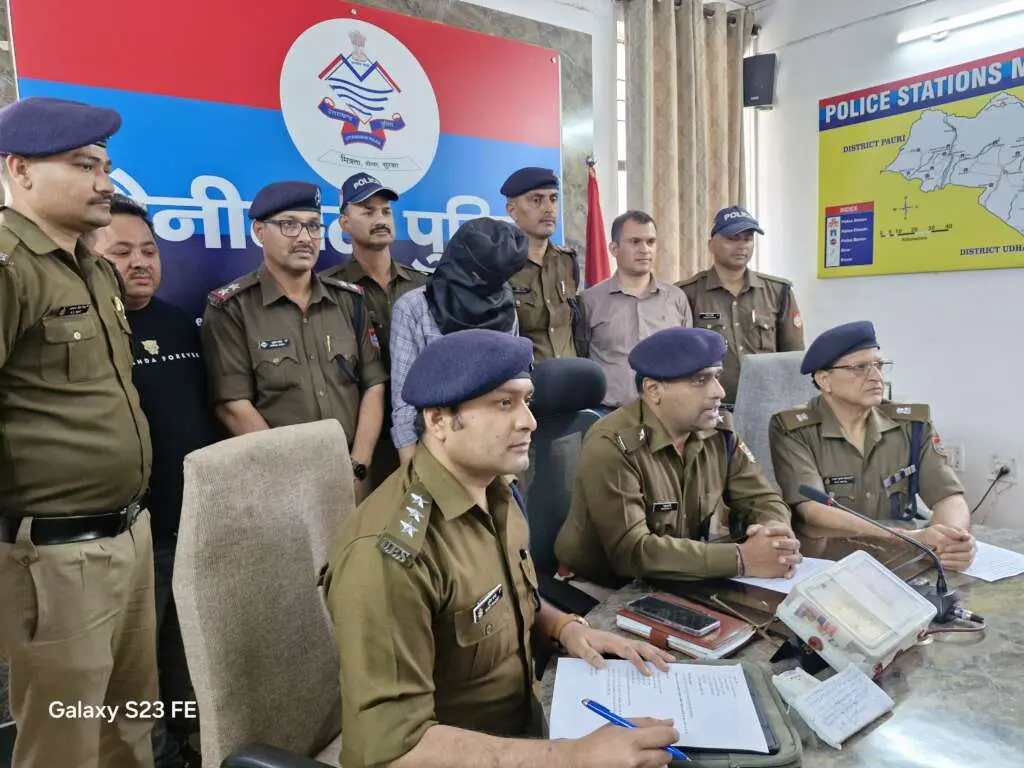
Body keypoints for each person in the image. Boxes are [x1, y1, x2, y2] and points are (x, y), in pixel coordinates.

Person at [321, 328, 680, 768]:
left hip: (525, 725)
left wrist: (565, 628)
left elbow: (502, 601)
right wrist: (572, 757)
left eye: (527, 400)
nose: (529, 420)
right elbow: (393, 750)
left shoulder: (496, 492)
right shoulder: (388, 557)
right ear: (438, 420)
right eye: (504, 403)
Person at [0, 96, 156, 767]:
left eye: (106, 166)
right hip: (56, 559)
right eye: (83, 165)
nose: (104, 182)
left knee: (131, 728)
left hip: (128, 535)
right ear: (20, 170)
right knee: (65, 743)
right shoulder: (10, 266)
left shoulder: (93, 267)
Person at [91, 193, 217, 767]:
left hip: (193, 527)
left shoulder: (180, 323)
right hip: (125, 535)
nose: (139, 262)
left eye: (148, 250)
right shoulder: (91, 329)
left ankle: (191, 748)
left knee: (188, 657)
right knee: (131, 673)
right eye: (121, 252)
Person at [555, 327, 802, 591]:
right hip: (603, 587)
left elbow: (762, 497)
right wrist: (741, 559)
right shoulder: (612, 444)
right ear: (653, 390)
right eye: (700, 380)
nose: (719, 391)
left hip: (684, 576)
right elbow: (632, 551)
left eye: (717, 377)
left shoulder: (720, 433)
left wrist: (774, 534)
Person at [201, 180, 387, 498]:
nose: (304, 238)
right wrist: (291, 476)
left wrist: (358, 464)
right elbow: (232, 405)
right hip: (280, 485)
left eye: (313, 226)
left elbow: (374, 384)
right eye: (289, 225)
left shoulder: (349, 300)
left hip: (353, 479)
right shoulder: (232, 307)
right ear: (259, 231)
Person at [769, 320, 977, 571]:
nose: (876, 377)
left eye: (879, 365)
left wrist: (950, 540)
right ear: (824, 380)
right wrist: (910, 538)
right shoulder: (794, 429)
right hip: (829, 565)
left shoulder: (911, 425)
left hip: (900, 560)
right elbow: (812, 511)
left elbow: (948, 496)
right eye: (860, 368)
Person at [389, 217, 527, 466]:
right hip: (436, 450)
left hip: (497, 445)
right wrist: (411, 473)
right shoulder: (414, 308)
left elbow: (512, 388)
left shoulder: (505, 309)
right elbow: (404, 405)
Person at [321, 172, 427, 490]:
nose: (380, 219)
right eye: (368, 212)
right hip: (362, 441)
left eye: (385, 211)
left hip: (422, 432)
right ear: (344, 223)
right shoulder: (329, 290)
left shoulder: (423, 285)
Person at [677, 206, 804, 407]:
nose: (742, 246)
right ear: (711, 245)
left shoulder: (778, 291)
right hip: (711, 407)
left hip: (768, 405)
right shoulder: (687, 293)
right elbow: (681, 357)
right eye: (732, 238)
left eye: (748, 239)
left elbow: (793, 355)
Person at [578, 210, 692, 410]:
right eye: (635, 242)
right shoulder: (590, 301)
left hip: (667, 412)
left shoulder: (676, 298)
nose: (645, 249)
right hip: (609, 413)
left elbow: (687, 357)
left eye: (650, 242)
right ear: (614, 248)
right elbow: (581, 357)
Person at [503, 167, 580, 361]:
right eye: (536, 200)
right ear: (512, 210)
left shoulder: (567, 261)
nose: (549, 209)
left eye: (553, 199)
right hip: (528, 378)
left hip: (570, 375)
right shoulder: (502, 265)